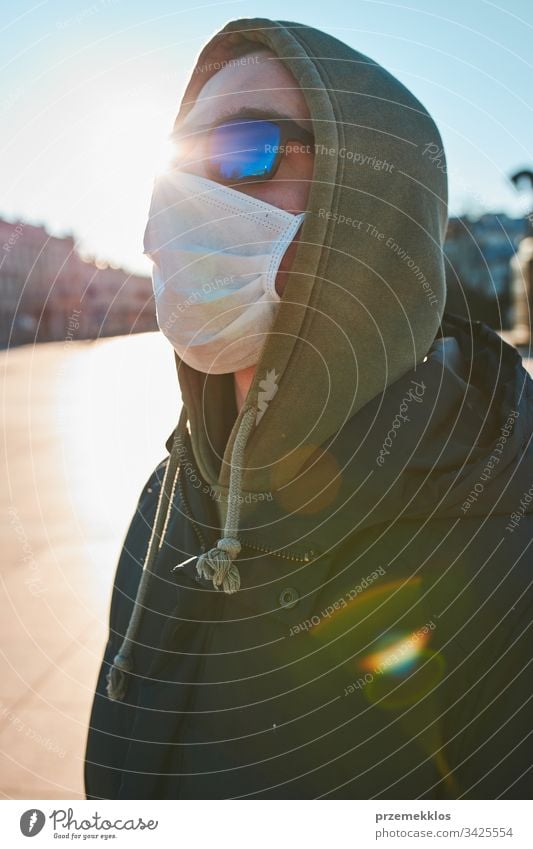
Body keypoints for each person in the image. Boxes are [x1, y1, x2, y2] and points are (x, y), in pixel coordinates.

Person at [84, 18, 533, 800]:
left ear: (371, 198)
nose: (189, 201)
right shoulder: (168, 495)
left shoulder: (505, 516)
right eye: (174, 169)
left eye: (240, 149)